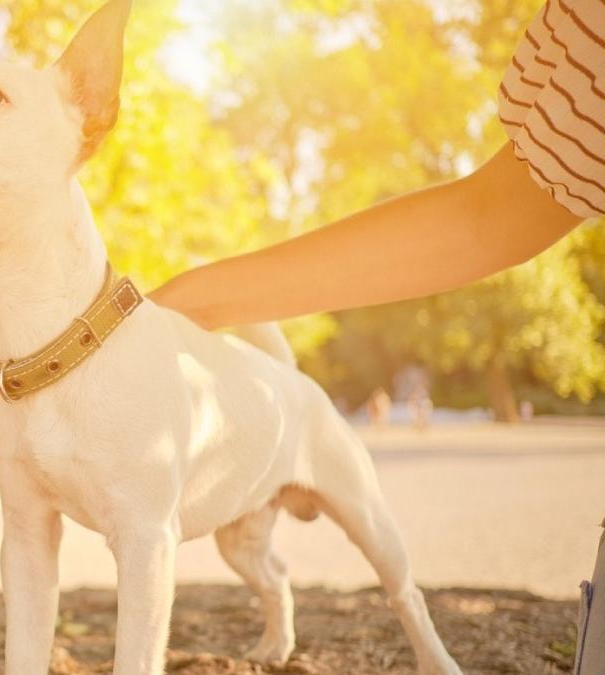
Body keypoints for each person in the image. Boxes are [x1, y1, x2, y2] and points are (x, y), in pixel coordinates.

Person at [151, 0, 602, 672]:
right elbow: (493, 215)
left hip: (302, 426)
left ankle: (425, 638)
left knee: (376, 535)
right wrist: (197, 299)